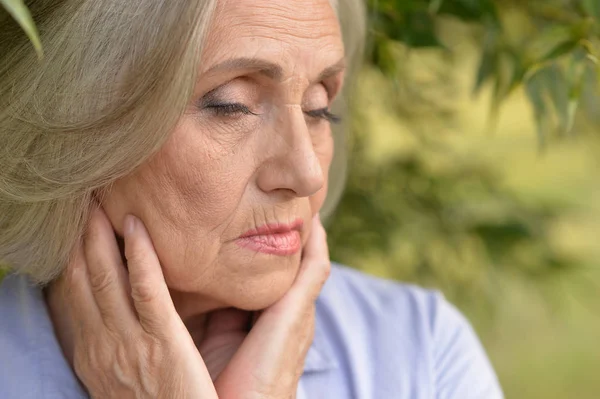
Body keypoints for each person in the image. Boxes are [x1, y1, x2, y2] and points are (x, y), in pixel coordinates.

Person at [0, 0, 504, 398]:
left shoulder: (420, 351)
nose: (305, 173)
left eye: (318, 108)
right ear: (76, 127)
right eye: (231, 106)